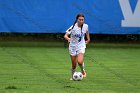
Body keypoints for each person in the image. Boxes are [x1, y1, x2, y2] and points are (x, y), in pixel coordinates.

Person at [64, 13, 90, 80]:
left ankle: (83, 71)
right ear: (77, 20)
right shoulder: (73, 27)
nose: (81, 21)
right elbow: (65, 35)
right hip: (72, 47)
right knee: (74, 64)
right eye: (80, 19)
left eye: (82, 20)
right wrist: (68, 38)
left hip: (81, 46)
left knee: (80, 61)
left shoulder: (85, 26)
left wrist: (88, 39)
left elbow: (87, 32)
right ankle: (73, 76)